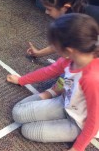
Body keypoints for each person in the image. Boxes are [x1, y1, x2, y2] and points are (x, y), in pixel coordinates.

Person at [7, 13, 99, 151]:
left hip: (78, 123)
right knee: (18, 113)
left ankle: (55, 101)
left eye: (55, 46)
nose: (53, 49)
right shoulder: (70, 59)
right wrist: (21, 80)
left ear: (68, 50)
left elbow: (94, 120)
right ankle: (51, 93)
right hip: (65, 102)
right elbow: (49, 71)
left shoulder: (92, 78)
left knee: (27, 131)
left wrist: (77, 148)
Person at [27, 0, 99, 58]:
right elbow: (62, 42)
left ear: (65, 7)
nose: (46, 12)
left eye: (49, 9)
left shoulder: (77, 23)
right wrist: (39, 53)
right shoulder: (71, 17)